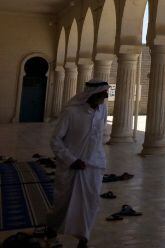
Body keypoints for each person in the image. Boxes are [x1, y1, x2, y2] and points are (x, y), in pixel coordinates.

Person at [46, 79, 110, 248]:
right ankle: (52, 228)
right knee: (63, 202)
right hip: (71, 166)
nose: (105, 96)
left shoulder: (102, 109)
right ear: (92, 94)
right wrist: (71, 160)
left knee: (90, 202)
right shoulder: (71, 112)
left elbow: (99, 135)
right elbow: (56, 140)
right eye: (103, 92)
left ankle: (83, 238)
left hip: (93, 165)